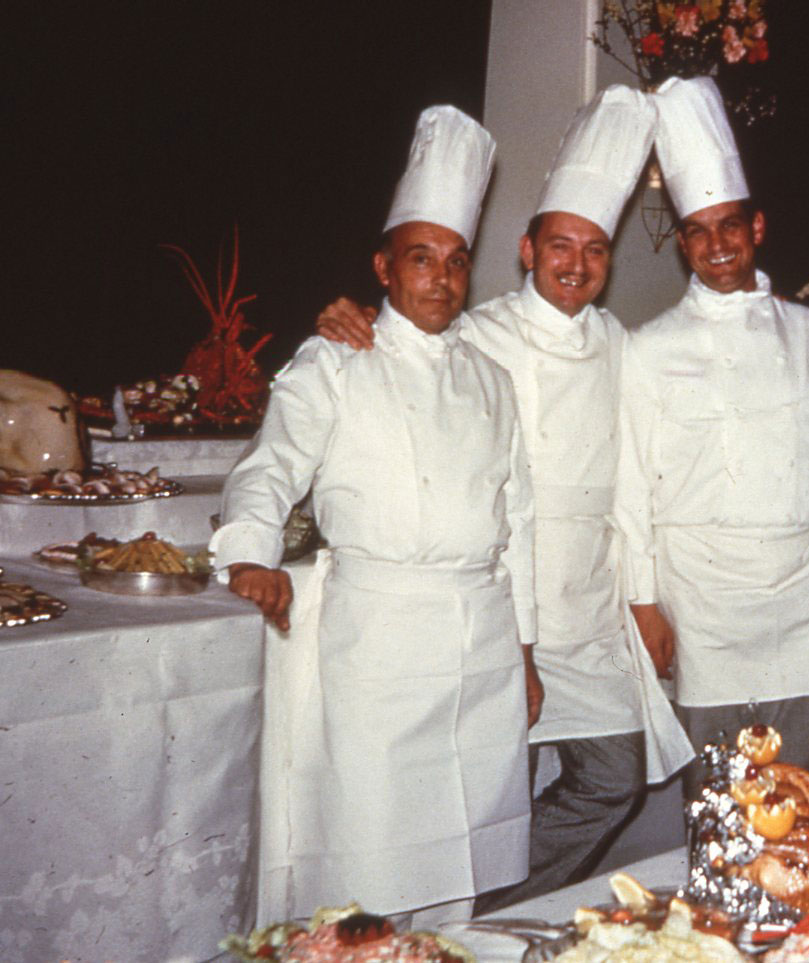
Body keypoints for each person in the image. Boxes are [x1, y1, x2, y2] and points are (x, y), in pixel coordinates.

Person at [314, 86, 691, 907]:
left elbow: (630, 476)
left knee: (615, 777)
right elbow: (394, 355)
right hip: (497, 609)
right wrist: (344, 315)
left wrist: (644, 597)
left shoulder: (618, 342)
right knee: (489, 794)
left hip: (587, 601)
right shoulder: (473, 335)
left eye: (595, 249)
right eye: (562, 244)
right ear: (526, 250)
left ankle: (495, 905)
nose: (577, 264)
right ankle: (465, 926)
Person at [211, 106, 538, 925]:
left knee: (460, 868)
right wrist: (249, 554)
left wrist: (527, 650)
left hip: (483, 640)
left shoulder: (492, 379)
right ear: (384, 267)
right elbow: (269, 465)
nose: (442, 278)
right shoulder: (336, 359)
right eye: (421, 258)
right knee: (373, 864)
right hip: (380, 642)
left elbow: (520, 521)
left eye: (457, 261)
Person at [617, 76, 809, 794]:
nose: (717, 245)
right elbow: (631, 486)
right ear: (682, 244)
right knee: (717, 798)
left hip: (803, 596)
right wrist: (644, 603)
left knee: (800, 793)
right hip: (701, 601)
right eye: (699, 231)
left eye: (730, 225)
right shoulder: (648, 347)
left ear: (756, 228)